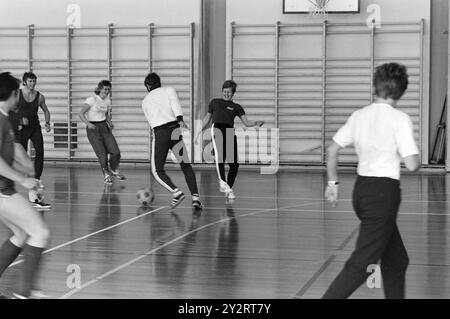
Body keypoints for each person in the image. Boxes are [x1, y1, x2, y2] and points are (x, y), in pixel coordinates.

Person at [322, 63, 420, 299]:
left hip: (362, 192)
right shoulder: (400, 119)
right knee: (362, 264)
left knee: (396, 260)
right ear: (400, 92)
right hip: (383, 195)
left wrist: (332, 184)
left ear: (374, 86)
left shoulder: (359, 115)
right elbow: (412, 164)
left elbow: (332, 149)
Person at [0, 72, 50, 299]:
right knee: (40, 232)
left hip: (4, 191)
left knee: (20, 233)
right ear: (13, 94)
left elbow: (13, 146)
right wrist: (23, 179)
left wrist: (27, 166)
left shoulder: (5, 118)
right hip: (2, 193)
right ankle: (23, 292)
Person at [141, 72, 202, 209]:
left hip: (160, 133)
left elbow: (151, 122)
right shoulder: (169, 90)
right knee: (185, 165)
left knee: (157, 170)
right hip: (175, 131)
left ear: (148, 86)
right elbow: (175, 104)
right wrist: (180, 119)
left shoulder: (145, 101)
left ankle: (176, 192)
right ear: (159, 82)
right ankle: (196, 198)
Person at [197, 80, 264, 200]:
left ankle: (228, 188)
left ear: (233, 94)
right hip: (217, 128)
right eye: (225, 91)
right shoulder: (215, 102)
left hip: (229, 132)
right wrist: (198, 132)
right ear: (222, 91)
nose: (226, 94)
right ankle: (223, 183)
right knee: (220, 157)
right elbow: (207, 118)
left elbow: (246, 122)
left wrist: (255, 123)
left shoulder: (237, 107)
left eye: (229, 92)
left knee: (234, 164)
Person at [8, 72, 52, 209]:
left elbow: (46, 111)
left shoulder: (39, 97)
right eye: (30, 81)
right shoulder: (17, 95)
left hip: (35, 127)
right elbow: (10, 111)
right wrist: (19, 121)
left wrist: (47, 122)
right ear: (25, 82)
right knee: (23, 156)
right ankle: (18, 180)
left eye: (34, 81)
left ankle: (37, 178)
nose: (32, 83)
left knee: (40, 152)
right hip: (21, 128)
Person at [79, 80, 125, 185]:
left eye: (109, 89)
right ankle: (106, 174)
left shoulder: (108, 101)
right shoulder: (92, 99)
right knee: (102, 154)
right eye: (105, 89)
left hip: (104, 127)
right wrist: (88, 123)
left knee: (115, 151)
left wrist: (110, 122)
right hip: (93, 128)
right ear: (100, 89)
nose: (107, 91)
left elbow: (106, 114)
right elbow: (81, 113)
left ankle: (113, 169)